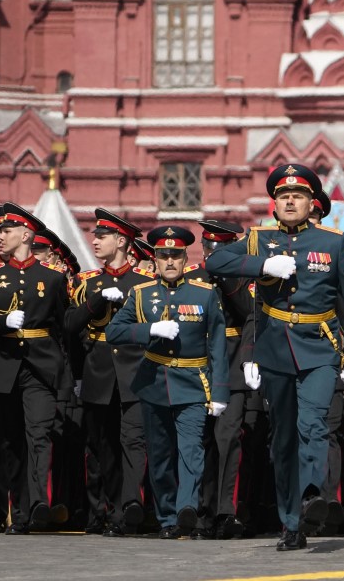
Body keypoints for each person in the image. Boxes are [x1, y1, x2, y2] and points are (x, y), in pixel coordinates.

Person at [206, 163, 344, 551]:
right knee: (282, 439)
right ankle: (291, 524)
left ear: (313, 203)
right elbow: (214, 262)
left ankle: (312, 494)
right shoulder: (257, 239)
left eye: (297, 195)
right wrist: (261, 265)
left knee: (313, 424)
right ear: (274, 204)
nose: (290, 201)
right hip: (275, 348)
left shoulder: (333, 242)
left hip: (319, 347)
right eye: (283, 196)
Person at [108, 225, 229, 539]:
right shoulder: (141, 294)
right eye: (164, 256)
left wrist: (219, 391)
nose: (170, 261)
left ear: (185, 257)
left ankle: (186, 508)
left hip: (192, 382)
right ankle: (166, 518)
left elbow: (217, 343)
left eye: (176, 255)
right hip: (154, 382)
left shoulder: (204, 293)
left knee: (191, 451)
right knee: (160, 456)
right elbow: (113, 332)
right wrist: (148, 330)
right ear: (156, 259)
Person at [0, 203, 70, 534]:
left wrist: (68, 374)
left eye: (6, 231)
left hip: (39, 368)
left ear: (27, 234)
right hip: (3, 366)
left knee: (38, 435)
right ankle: (5, 509)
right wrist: (1, 323)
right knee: (4, 442)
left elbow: (64, 327)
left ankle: (35, 505)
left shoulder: (53, 279)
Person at [64, 208, 153, 536]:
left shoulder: (145, 284)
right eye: (96, 236)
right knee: (99, 447)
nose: (95, 241)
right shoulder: (89, 283)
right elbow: (70, 326)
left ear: (122, 241)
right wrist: (97, 301)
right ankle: (98, 511)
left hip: (135, 372)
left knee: (133, 442)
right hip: (98, 371)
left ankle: (128, 508)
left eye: (102, 236)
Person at [195, 219, 255, 540]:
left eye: (220, 250)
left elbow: (250, 312)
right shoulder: (194, 275)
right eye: (209, 248)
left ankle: (224, 512)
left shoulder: (243, 278)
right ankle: (200, 511)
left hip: (232, 366)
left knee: (228, 440)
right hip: (200, 366)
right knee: (199, 443)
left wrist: (229, 278)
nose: (212, 254)